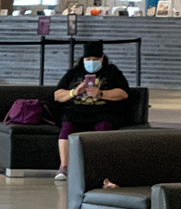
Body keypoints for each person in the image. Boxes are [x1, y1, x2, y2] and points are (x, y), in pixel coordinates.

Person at [53, 41, 130, 181]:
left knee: (103, 128)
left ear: (102, 58)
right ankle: (64, 166)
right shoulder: (74, 73)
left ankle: (99, 169)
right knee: (67, 127)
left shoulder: (112, 72)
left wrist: (101, 94)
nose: (91, 62)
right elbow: (57, 95)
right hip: (77, 112)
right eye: (88, 59)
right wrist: (74, 92)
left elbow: (123, 93)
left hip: (103, 112)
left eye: (95, 59)